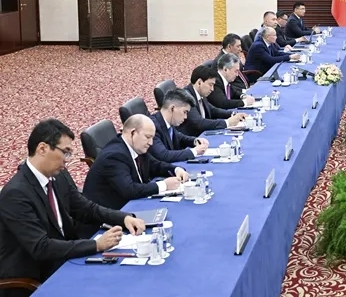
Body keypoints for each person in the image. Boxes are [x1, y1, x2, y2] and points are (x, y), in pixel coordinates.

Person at [0, 119, 145, 294]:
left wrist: (123, 218)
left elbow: (85, 208)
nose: (67, 161)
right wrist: (96, 245)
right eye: (65, 152)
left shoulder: (57, 176)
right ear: (42, 149)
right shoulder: (15, 194)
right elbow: (41, 247)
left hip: (64, 258)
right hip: (38, 276)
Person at [82, 115, 189, 213]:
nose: (151, 143)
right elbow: (129, 190)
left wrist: (176, 170)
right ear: (132, 133)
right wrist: (164, 185)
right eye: (147, 137)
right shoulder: (114, 156)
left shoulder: (135, 147)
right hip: (107, 217)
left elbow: (155, 165)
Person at [181, 65, 246, 137]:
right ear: (199, 82)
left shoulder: (200, 93)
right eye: (210, 85)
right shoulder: (186, 97)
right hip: (192, 139)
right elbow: (199, 123)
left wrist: (233, 114)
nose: (212, 89)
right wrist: (227, 122)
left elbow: (213, 110)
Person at [149, 88, 209, 163]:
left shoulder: (168, 121)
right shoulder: (152, 126)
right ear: (172, 108)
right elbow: (163, 155)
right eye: (185, 112)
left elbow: (178, 137)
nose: (186, 117)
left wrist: (194, 141)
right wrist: (194, 151)